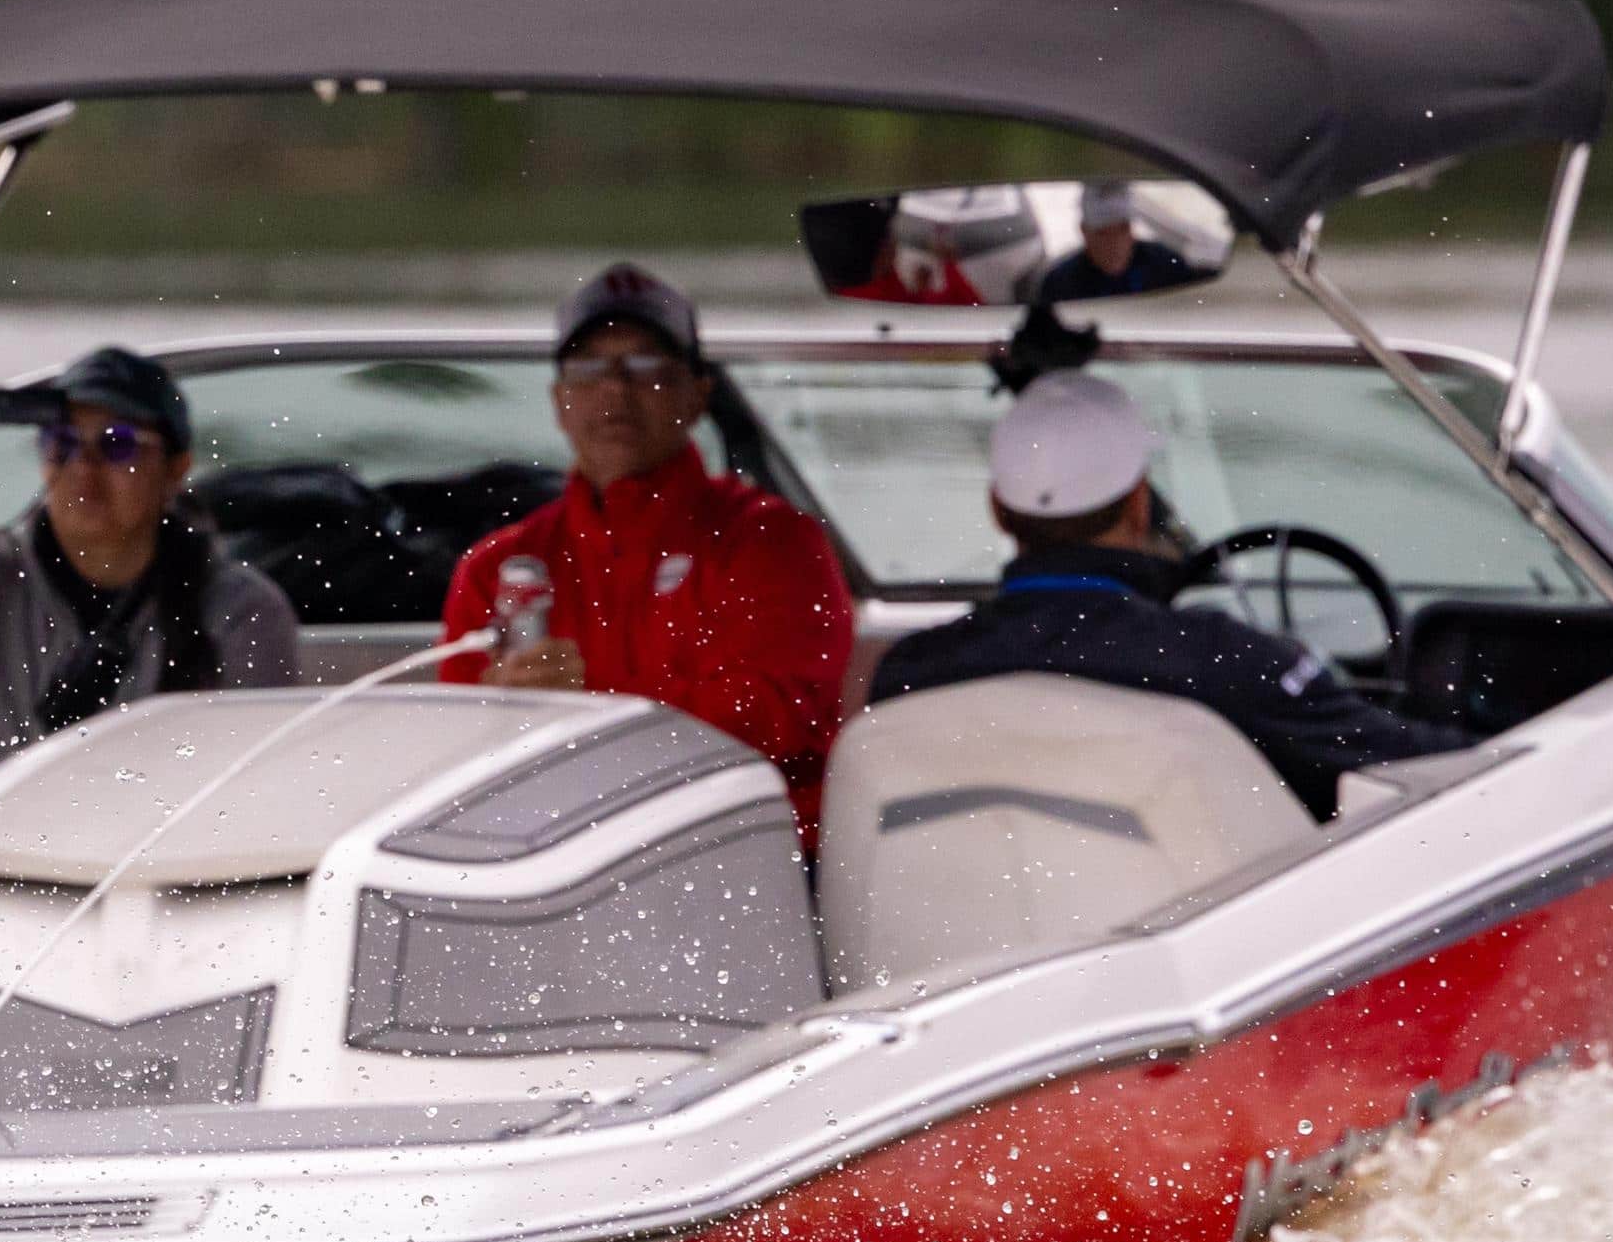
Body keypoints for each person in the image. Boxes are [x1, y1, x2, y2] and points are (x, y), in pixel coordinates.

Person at [864, 370, 1467, 818]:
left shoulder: (912, 673)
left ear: (998, 509)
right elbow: (1427, 768)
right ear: (1139, 501)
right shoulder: (1226, 663)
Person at [441, 264, 857, 847]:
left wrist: (588, 701)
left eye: (646, 367)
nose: (615, 389)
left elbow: (788, 715)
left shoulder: (773, 542)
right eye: (589, 368)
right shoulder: (495, 569)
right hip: (557, 864)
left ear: (697, 393)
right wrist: (503, 710)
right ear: (559, 400)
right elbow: (452, 757)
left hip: (742, 855)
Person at [0, 342, 303, 781]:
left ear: (176, 469)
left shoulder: (242, 614)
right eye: (63, 443)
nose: (84, 467)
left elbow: (252, 789)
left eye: (118, 445)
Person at [1030, 181, 1218, 309]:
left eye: (1122, 229)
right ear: (1084, 231)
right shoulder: (1060, 283)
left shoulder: (1166, 264)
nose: (1115, 242)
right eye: (1103, 232)